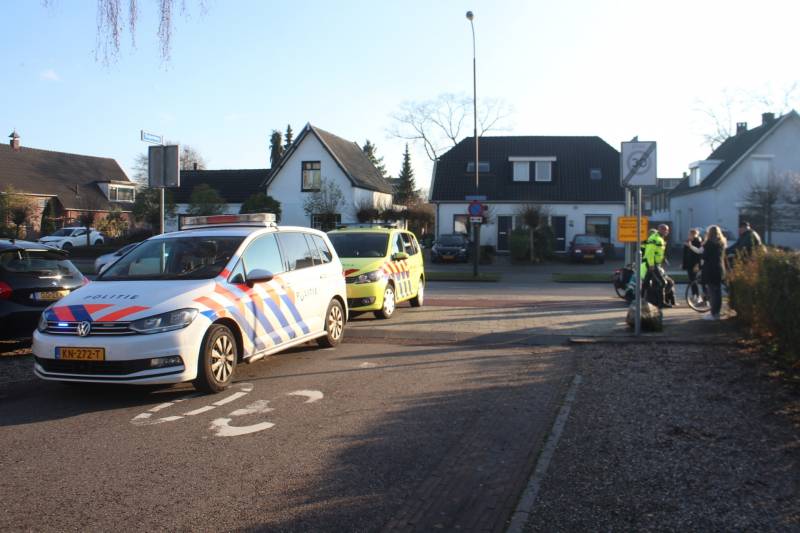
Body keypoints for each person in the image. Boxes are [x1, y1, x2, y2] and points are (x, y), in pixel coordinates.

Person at [641, 224, 674, 308]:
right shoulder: (654, 238)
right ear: (661, 230)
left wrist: (663, 259)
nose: (667, 232)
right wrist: (652, 264)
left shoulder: (659, 238)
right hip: (653, 264)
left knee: (646, 283)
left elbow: (658, 252)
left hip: (655, 263)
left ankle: (641, 300)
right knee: (662, 283)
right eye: (666, 230)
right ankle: (661, 303)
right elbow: (650, 252)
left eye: (667, 230)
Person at [698, 225, 727, 320]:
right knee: (717, 292)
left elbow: (705, 256)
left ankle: (714, 313)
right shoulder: (721, 242)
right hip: (719, 269)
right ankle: (716, 312)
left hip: (710, 270)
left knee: (712, 292)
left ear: (709, 233)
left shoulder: (709, 243)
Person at [682, 228, 703, 299]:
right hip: (689, 264)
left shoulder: (698, 242)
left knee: (694, 280)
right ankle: (694, 294)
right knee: (691, 280)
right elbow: (685, 254)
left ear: (695, 235)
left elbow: (699, 254)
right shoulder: (688, 242)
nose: (689, 235)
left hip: (694, 264)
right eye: (689, 234)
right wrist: (683, 263)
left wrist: (697, 264)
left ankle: (697, 295)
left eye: (691, 234)